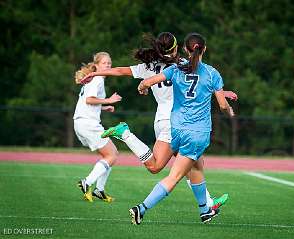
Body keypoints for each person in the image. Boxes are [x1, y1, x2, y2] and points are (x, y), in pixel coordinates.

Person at [81, 32, 236, 209]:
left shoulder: (148, 67)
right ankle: (126, 134)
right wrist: (222, 93)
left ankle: (208, 204)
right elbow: (198, 86)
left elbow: (118, 70)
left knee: (194, 164)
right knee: (161, 166)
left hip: (162, 119)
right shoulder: (183, 65)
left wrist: (96, 74)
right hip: (177, 121)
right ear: (178, 48)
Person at [73, 52, 122, 203]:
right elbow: (89, 100)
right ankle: (87, 182)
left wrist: (104, 107)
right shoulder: (97, 79)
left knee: (110, 154)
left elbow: (87, 102)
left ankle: (99, 190)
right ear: (96, 65)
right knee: (112, 155)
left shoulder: (93, 79)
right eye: (104, 63)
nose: (108, 65)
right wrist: (109, 100)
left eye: (109, 63)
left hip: (82, 123)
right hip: (88, 124)